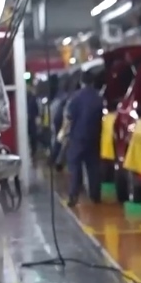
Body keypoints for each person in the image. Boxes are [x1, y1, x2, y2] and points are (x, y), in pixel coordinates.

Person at [60, 71, 103, 207]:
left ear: (81, 82)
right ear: (93, 82)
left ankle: (73, 196)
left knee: (74, 167)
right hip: (94, 137)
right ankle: (95, 196)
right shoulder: (98, 97)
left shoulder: (76, 97)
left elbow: (69, 118)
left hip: (78, 138)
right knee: (93, 167)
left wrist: (63, 133)